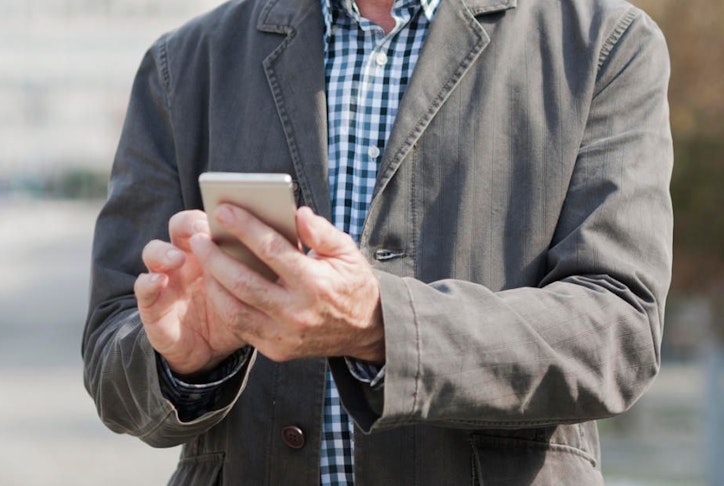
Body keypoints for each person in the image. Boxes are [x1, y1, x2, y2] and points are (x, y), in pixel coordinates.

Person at [82, 0, 672, 482]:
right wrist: (181, 364)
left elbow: (619, 331)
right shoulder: (182, 63)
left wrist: (382, 325)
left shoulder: (605, 44)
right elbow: (112, 361)